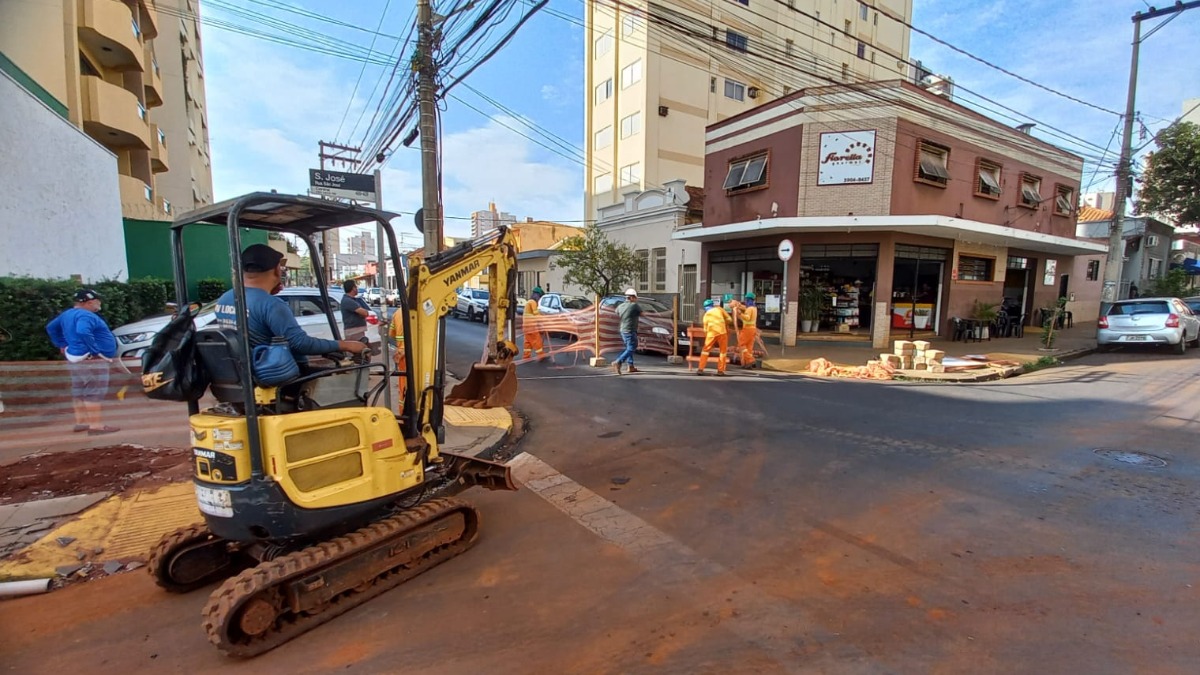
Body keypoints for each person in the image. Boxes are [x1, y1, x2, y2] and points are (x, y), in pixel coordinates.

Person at [214, 244, 367, 385]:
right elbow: (300, 344)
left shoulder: (225, 298)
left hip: (244, 376)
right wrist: (346, 344)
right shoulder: (271, 305)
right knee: (346, 384)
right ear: (277, 270)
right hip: (279, 376)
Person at [46, 289, 120, 434]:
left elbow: (50, 327)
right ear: (90, 302)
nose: (99, 303)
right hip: (91, 360)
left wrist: (61, 344)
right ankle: (96, 426)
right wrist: (95, 351)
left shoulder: (67, 314)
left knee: (79, 390)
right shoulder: (86, 315)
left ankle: (81, 422)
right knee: (94, 391)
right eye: (98, 300)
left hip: (75, 359)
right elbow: (83, 331)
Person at [697, 298, 733, 377]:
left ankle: (700, 369)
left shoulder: (706, 315)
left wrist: (709, 338)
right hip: (722, 332)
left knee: (705, 351)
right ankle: (720, 371)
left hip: (711, 334)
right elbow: (729, 319)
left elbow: (705, 330)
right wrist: (724, 323)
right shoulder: (719, 309)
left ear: (705, 307)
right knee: (723, 352)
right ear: (712, 305)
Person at [612, 288, 643, 375]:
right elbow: (642, 314)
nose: (636, 299)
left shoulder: (621, 306)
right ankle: (618, 361)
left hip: (623, 330)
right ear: (632, 297)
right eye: (635, 297)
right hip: (630, 330)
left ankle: (630, 366)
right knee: (632, 347)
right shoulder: (634, 305)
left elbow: (617, 312)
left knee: (628, 347)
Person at [734, 292, 759, 368]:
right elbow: (745, 307)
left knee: (741, 345)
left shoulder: (749, 309)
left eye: (746, 300)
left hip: (747, 329)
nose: (745, 301)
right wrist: (738, 305)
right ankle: (748, 363)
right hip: (753, 329)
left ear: (748, 300)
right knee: (749, 347)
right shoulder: (754, 308)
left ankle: (750, 360)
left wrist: (740, 313)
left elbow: (747, 318)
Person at [523, 286, 548, 361]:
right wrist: (544, 320)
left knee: (528, 342)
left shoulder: (528, 302)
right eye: (540, 297)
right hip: (531, 326)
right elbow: (536, 314)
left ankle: (526, 356)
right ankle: (541, 356)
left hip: (526, 326)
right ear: (537, 295)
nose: (539, 299)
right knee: (537, 340)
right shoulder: (533, 302)